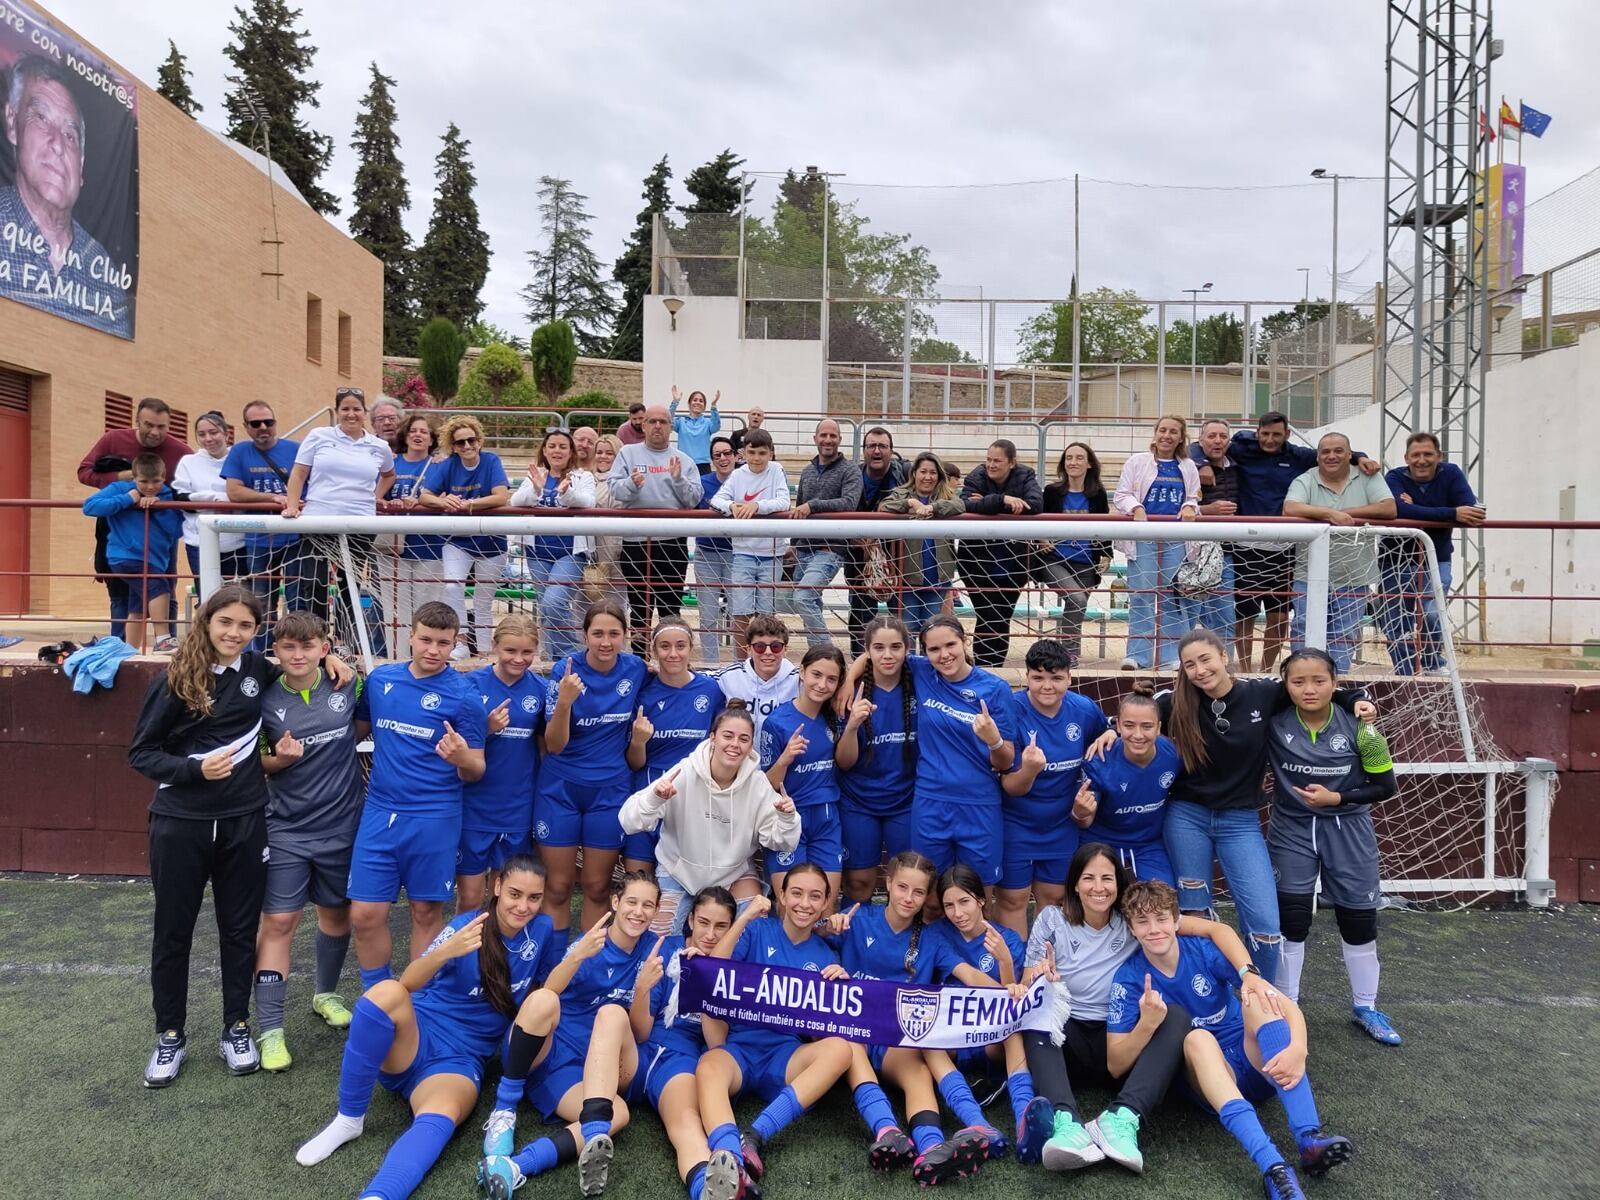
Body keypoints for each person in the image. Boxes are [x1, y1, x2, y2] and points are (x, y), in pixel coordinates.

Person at [1088, 626, 1376, 982]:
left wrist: (1356, 700)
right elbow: (1137, 719)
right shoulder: (1176, 700)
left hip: (1240, 821)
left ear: (1224, 656)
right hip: (1186, 818)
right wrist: (1110, 730)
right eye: (1189, 664)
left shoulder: (1262, 694)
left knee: (1266, 923)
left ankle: (1264, 995)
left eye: (1205, 659)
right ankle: (1202, 991)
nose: (1200, 670)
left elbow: (1314, 690)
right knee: (1194, 913)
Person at [295, 858, 563, 1200]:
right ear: (497, 888)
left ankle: (379, 1195)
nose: (523, 906)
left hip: (460, 1062)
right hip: (417, 1037)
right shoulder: (468, 926)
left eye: (533, 897)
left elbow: (546, 992)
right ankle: (349, 1119)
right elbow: (408, 983)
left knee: (442, 1116)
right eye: (514, 893)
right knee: (386, 993)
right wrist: (444, 952)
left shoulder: (541, 931)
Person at [1020, 843, 1266, 1175]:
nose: (1098, 887)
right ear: (1075, 884)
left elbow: (1210, 929)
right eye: (1088, 878)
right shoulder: (1051, 919)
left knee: (1174, 1015)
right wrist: (1042, 979)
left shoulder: (1134, 919)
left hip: (1122, 1035)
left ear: (1118, 885)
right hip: (1070, 1037)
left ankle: (1123, 1120)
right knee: (1037, 1015)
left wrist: (1247, 974)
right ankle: (1066, 1125)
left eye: (1107, 878)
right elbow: (1028, 983)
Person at [1108, 880, 1354, 1199]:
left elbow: (1281, 1002)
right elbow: (1115, 1065)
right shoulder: (1128, 979)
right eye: (1142, 921)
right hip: (1211, 1078)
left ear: (1176, 920)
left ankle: (1309, 1138)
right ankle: (1274, 1169)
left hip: (1257, 1062)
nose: (1153, 929)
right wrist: (1146, 1024)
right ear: (1131, 928)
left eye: (1161, 919)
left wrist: (1298, 1049)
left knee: (1256, 999)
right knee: (1196, 1038)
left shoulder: (1201, 950)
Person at [128, 586, 275, 1086]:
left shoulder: (258, 670)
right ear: (206, 621)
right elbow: (141, 753)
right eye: (225, 622)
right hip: (180, 824)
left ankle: (236, 1026)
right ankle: (169, 1034)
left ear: (256, 632)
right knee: (173, 932)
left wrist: (335, 663)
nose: (234, 633)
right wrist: (192, 769)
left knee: (239, 930)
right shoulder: (174, 679)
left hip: (244, 820)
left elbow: (307, 665)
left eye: (245, 626)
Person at [699, 872, 902, 1190]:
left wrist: (837, 994)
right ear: (781, 895)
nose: (804, 904)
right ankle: (729, 1159)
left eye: (815, 897)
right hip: (740, 1048)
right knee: (708, 1065)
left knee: (839, 1048)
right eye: (796, 893)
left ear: (825, 904)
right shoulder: (757, 930)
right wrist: (746, 916)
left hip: (786, 1055)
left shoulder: (824, 955)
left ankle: (754, 1135)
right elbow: (711, 972)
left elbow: (820, 1035)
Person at [825, 851, 1003, 1185]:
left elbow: (970, 976)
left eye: (918, 892)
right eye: (903, 887)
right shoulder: (858, 920)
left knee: (920, 1068)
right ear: (888, 883)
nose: (909, 898)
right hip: (853, 1035)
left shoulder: (932, 937)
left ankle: (933, 1148)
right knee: (849, 1043)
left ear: (927, 896)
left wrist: (1012, 994)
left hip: (898, 1041)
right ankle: (887, 1130)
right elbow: (811, 935)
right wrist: (827, 924)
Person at [478, 873, 661, 1196]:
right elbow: (545, 996)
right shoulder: (592, 943)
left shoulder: (654, 950)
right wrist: (577, 954)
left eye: (648, 905)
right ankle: (505, 1108)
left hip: (592, 1069)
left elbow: (641, 1033)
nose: (639, 912)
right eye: (632, 901)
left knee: (617, 1113)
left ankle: (516, 1166)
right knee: (545, 999)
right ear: (616, 902)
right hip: (549, 1053)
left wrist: (644, 989)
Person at [349, 602, 487, 990]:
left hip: (435, 816)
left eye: (443, 643)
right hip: (379, 812)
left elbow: (476, 768)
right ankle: (377, 996)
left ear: (454, 644)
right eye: (425, 639)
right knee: (364, 914)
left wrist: (461, 758)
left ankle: (416, 1000)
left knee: (426, 912)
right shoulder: (380, 681)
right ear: (410, 635)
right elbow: (353, 734)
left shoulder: (465, 695)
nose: (432, 649)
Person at [1267, 649, 1401, 1046]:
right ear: (1285, 685)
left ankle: (1366, 1006)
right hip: (1291, 828)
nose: (1309, 689)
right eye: (1298, 681)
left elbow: (1385, 786)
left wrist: (1336, 799)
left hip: (1348, 828)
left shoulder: (1364, 728)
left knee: (1358, 919)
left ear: (1335, 683)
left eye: (1319, 681)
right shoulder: (1272, 722)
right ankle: (1287, 1006)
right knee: (1291, 919)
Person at [252, 611, 364, 1072]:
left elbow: (363, 726)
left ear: (324, 647)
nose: (297, 656)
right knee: (279, 922)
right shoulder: (262, 699)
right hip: (286, 829)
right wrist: (278, 760)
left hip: (342, 826)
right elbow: (255, 763)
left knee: (336, 913)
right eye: (287, 647)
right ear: (275, 651)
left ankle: (325, 994)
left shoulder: (348, 686)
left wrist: (348, 666)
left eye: (307, 646)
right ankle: (271, 1030)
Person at [852, 616, 1016, 887]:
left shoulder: (995, 689)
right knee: (927, 894)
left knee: (977, 894)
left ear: (965, 642)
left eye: (951, 645)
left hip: (979, 804)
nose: (944, 655)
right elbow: (873, 654)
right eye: (934, 649)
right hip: (930, 802)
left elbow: (1006, 760)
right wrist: (848, 680)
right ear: (923, 653)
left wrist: (994, 740)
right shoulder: (924, 672)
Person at [616, 887, 744, 1200]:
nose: (710, 934)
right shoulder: (669, 948)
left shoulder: (732, 969)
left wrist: (704, 982)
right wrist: (643, 990)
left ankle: (706, 1190)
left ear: (731, 929)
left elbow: (716, 1044)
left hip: (681, 1059)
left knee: (687, 1124)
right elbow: (641, 1031)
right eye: (703, 923)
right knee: (598, 1104)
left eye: (721, 927)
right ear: (690, 919)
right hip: (640, 1050)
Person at [621, 706, 796, 934]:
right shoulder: (685, 771)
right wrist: (655, 798)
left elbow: (783, 842)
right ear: (712, 737)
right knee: (659, 936)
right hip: (679, 871)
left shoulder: (757, 783)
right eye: (727, 736)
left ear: (751, 745)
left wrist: (787, 818)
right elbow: (629, 820)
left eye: (744, 739)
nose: (735, 744)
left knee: (755, 928)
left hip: (735, 873)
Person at [1226, 412, 1379, 671]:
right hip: (1246, 545)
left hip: (1286, 547)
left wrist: (1361, 456)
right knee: (1245, 614)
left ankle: (1265, 670)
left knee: (1280, 615)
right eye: (1265, 434)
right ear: (1257, 433)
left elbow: (1334, 454)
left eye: (1277, 434)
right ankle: (1245, 669)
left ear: (1287, 434)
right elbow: (1206, 447)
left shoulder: (1298, 456)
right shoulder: (1242, 448)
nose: (1270, 439)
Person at [537, 600, 650, 932]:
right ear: (584, 635)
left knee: (598, 887)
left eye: (614, 634)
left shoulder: (635, 669)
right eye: (597, 633)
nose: (606, 641)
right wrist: (565, 702)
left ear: (625, 636)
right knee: (557, 887)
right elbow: (554, 745)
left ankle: (587, 971)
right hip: (561, 788)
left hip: (610, 791)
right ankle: (551, 969)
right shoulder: (565, 671)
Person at [0, 55, 131, 335]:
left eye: (70, 135)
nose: (58, 144)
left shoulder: (105, 277)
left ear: (81, 167)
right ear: (12, 123)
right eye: (41, 118)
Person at [930, 864, 1048, 1163]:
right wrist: (1006, 981)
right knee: (926, 1044)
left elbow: (1014, 1002)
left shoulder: (1007, 938)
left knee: (1013, 1030)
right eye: (948, 905)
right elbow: (971, 978)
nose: (957, 913)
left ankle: (1024, 1120)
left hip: (991, 1038)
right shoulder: (939, 934)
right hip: (954, 1038)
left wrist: (1006, 962)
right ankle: (978, 1123)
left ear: (981, 900)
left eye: (964, 901)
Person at [995, 638, 1108, 933]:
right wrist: (1031, 770)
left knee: (1055, 898)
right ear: (1027, 677)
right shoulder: (1012, 710)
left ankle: (1045, 968)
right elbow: (1010, 786)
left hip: (1061, 823)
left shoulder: (1084, 710)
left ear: (1069, 678)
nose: (1048, 685)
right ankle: (1017, 972)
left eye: (1057, 678)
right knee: (1012, 898)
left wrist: (1110, 735)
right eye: (1038, 677)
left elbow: (1105, 740)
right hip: (1016, 822)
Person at [282, 386, 397, 643]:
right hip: (318, 521)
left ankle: (346, 644)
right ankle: (316, 640)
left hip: (358, 524)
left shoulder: (378, 446)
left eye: (356, 409)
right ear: (337, 412)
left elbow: (389, 475)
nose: (351, 414)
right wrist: (292, 505)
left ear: (364, 412)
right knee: (314, 584)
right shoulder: (318, 436)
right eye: (345, 409)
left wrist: (376, 497)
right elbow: (299, 473)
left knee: (351, 587)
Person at [619, 617, 728, 879]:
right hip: (648, 794)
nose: (673, 653)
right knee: (639, 885)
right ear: (654, 651)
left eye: (680, 646)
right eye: (665, 647)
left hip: (693, 799)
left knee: (686, 885)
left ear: (691, 648)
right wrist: (638, 741)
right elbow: (634, 762)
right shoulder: (643, 694)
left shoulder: (711, 691)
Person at [1282, 431, 1397, 672]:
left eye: (1338, 451)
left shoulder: (1368, 476)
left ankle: (1338, 684)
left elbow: (1388, 508)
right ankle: (1302, 679)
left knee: (1344, 634)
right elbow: (1290, 508)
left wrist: (1348, 513)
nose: (1331, 456)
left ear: (1349, 454)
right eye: (1325, 451)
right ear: (1317, 457)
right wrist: (1329, 514)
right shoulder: (1306, 479)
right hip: (1309, 574)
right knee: (1304, 628)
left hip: (1355, 574)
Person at [79, 396, 190, 640]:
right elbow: (84, 473)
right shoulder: (113, 439)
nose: (154, 432)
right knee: (122, 591)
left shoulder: (180, 451)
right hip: (118, 526)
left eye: (161, 426)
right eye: (148, 424)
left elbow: (189, 488)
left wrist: (164, 505)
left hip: (160, 531)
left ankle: (164, 643)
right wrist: (127, 482)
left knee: (163, 588)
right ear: (136, 420)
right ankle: (120, 646)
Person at [458, 615, 547, 913]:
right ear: (494, 646)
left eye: (527, 652)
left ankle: (495, 958)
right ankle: (464, 958)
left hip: (517, 808)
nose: (519, 659)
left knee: (504, 900)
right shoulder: (470, 685)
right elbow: (453, 742)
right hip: (475, 806)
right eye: (510, 651)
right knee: (470, 898)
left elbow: (545, 745)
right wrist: (486, 728)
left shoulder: (541, 690)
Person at [1377, 431, 1485, 674]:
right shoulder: (1394, 476)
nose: (1421, 460)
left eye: (1428, 454)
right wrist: (1450, 512)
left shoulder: (1452, 473)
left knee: (1432, 613)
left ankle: (1431, 662)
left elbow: (1469, 510)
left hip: (1437, 556)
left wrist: (1414, 508)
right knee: (1397, 618)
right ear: (1406, 457)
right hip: (1395, 558)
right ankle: (1405, 669)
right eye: (1415, 455)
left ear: (1439, 456)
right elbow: (1395, 510)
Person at [610, 404, 704, 653]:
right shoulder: (628, 454)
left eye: (663, 421)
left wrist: (678, 479)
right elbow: (614, 491)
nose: (658, 426)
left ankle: (669, 661)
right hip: (635, 543)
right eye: (652, 421)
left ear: (671, 427)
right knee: (639, 607)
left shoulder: (684, 460)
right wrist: (631, 484)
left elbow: (694, 499)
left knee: (670, 608)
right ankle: (640, 661)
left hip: (672, 542)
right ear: (643, 425)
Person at [836, 615, 917, 904]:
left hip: (905, 801)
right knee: (859, 881)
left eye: (896, 647)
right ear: (867, 650)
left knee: (906, 881)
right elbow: (844, 763)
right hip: (858, 801)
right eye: (879, 647)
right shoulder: (851, 691)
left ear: (907, 649)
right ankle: (853, 943)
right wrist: (853, 725)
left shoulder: (919, 679)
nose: (888, 655)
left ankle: (904, 944)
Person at [1112, 415, 1201, 671]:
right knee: (1141, 595)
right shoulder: (1137, 461)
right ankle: (1137, 655)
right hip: (1144, 537)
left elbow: (1193, 497)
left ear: (1181, 437)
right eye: (1163, 430)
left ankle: (1171, 656)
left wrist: (1188, 506)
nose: (1167, 436)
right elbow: (1122, 494)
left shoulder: (1187, 466)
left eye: (1173, 431)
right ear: (1155, 433)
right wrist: (1137, 508)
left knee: (1172, 596)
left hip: (1175, 538)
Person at [421, 414, 511, 660]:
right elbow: (425, 496)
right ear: (454, 446)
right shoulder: (448, 465)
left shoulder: (491, 461)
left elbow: (500, 496)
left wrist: (469, 504)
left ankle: (482, 650)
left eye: (471, 440)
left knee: (483, 599)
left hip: (492, 541)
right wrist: (442, 500)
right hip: (458, 540)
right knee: (452, 586)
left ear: (479, 441)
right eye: (460, 442)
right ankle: (459, 643)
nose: (467, 446)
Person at [760, 645, 848, 897]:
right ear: (802, 672)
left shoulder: (838, 717)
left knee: (824, 905)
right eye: (816, 675)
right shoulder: (777, 722)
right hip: (787, 818)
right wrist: (785, 758)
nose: (822, 684)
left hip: (827, 817)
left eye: (832, 679)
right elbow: (768, 784)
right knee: (791, 904)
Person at [222, 401, 304, 650]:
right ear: (246, 427)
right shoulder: (239, 452)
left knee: (297, 601)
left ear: (275, 423)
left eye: (268, 422)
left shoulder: (296, 450)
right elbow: (234, 492)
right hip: (258, 540)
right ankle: (263, 654)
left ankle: (293, 649)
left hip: (296, 539)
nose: (263, 427)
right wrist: (273, 498)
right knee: (261, 602)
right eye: (256, 423)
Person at [509, 429, 596, 663]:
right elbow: (516, 501)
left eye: (562, 447)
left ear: (571, 452)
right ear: (545, 450)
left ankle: (570, 656)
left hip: (570, 552)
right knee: (545, 606)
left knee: (554, 601)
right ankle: (553, 659)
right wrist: (536, 489)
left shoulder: (582, 476)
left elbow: (588, 502)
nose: (557, 451)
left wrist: (567, 493)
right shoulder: (535, 474)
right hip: (538, 552)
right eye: (552, 446)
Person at [81, 452, 183, 652]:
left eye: (156, 481)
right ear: (133, 477)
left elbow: (177, 530)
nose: (150, 486)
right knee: (161, 588)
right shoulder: (120, 489)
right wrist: (128, 499)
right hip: (125, 557)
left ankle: (129, 650)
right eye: (144, 481)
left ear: (164, 477)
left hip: (155, 560)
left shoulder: (167, 494)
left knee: (138, 608)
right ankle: (163, 639)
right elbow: (90, 506)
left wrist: (157, 508)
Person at [1077, 688, 1180, 886]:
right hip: (1102, 841)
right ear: (1118, 726)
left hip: (1149, 843)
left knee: (1161, 904)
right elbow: (1084, 821)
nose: (1138, 735)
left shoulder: (1172, 756)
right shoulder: (1099, 761)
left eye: (1147, 726)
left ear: (1159, 728)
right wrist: (1079, 813)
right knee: (1098, 896)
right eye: (1129, 726)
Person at [957, 439, 1044, 667]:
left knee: (1002, 617)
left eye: (997, 461)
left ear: (1012, 463)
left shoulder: (1026, 475)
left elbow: (1034, 505)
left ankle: (995, 670)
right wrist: (1004, 500)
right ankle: (986, 669)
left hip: (1013, 563)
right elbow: (966, 504)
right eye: (988, 459)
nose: (991, 465)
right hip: (976, 563)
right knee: (987, 617)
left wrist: (988, 504)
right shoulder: (976, 476)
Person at [710, 428, 791, 657]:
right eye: (752, 452)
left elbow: (784, 501)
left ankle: (767, 658)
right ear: (743, 453)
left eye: (762, 453)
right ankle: (741, 661)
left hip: (771, 554)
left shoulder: (776, 470)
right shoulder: (737, 475)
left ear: (771, 454)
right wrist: (732, 507)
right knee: (741, 612)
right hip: (743, 553)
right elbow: (717, 500)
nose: (756, 458)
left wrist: (757, 506)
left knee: (766, 614)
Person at [787, 418, 862, 648]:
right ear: (815, 439)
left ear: (840, 440)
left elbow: (849, 503)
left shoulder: (850, 470)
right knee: (811, 602)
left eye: (833, 436)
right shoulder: (808, 471)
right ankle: (819, 656)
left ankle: (827, 654)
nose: (828, 440)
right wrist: (794, 544)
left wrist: (814, 505)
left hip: (830, 549)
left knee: (803, 597)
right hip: (804, 549)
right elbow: (800, 506)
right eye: (823, 435)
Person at [1036, 442, 1111, 666]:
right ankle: (1069, 656)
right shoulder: (1052, 492)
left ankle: (1063, 654)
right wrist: (1041, 540)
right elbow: (1038, 521)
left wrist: (1106, 553)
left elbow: (1105, 526)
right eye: (1069, 458)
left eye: (1079, 458)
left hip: (1086, 562)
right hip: (1054, 559)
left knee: (1076, 606)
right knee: (1077, 599)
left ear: (1089, 464)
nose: (1073, 462)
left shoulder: (1098, 494)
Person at [878, 451, 963, 635]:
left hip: (937, 579)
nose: (928, 477)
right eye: (923, 471)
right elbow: (884, 506)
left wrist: (932, 508)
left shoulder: (946, 495)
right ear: (914, 473)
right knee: (907, 632)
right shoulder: (901, 493)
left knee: (931, 633)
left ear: (939, 475)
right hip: (907, 578)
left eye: (932, 473)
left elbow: (959, 506)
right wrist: (911, 503)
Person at [379, 414, 446, 647]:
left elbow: (446, 497)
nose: (418, 435)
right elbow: (377, 498)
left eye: (424, 432)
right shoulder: (391, 464)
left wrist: (420, 503)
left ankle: (423, 656)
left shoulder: (441, 465)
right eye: (413, 431)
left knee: (426, 607)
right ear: (405, 436)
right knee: (394, 608)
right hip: (393, 545)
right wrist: (392, 504)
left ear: (431, 439)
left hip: (430, 544)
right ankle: (396, 657)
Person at [845, 428, 911, 653]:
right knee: (860, 617)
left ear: (891, 451)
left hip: (898, 557)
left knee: (899, 617)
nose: (876, 451)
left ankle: (901, 663)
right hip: (858, 558)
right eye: (871, 446)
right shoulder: (852, 474)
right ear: (863, 451)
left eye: (882, 446)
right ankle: (858, 661)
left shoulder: (905, 474)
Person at [172, 410, 245, 586]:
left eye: (214, 432)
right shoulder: (188, 462)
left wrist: (220, 501)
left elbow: (246, 493)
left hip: (238, 542)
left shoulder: (239, 458)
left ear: (226, 434)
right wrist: (214, 499)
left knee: (238, 596)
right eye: (202, 434)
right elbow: (179, 498)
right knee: (206, 596)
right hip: (199, 542)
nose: (208, 439)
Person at [1186, 419, 1241, 648]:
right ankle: (1180, 665)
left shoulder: (1239, 465)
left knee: (1224, 615)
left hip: (1226, 552)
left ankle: (1224, 665)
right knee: (1188, 613)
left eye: (1223, 436)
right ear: (1200, 440)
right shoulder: (1187, 465)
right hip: (1190, 552)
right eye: (1211, 436)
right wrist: (1209, 511)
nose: (1217, 441)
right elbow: (1181, 507)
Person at [713, 613, 799, 742]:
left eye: (776, 646)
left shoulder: (799, 680)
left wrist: (842, 687)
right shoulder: (730, 677)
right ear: (748, 649)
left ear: (785, 649)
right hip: (742, 758)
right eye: (760, 647)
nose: (768, 652)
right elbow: (693, 679)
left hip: (784, 756)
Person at [694, 436, 739, 664]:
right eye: (717, 455)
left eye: (727, 453)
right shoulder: (702, 482)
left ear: (735, 455)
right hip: (706, 553)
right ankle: (711, 665)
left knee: (738, 614)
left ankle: (739, 666)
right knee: (708, 614)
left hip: (737, 555)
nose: (723, 458)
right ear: (711, 460)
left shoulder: (744, 480)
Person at [670, 386, 723, 471]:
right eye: (695, 400)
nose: (698, 402)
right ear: (689, 404)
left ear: (704, 406)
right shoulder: (681, 421)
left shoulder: (708, 423)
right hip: (684, 462)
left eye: (701, 401)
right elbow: (668, 421)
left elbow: (716, 426)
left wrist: (713, 405)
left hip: (703, 464)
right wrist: (675, 402)